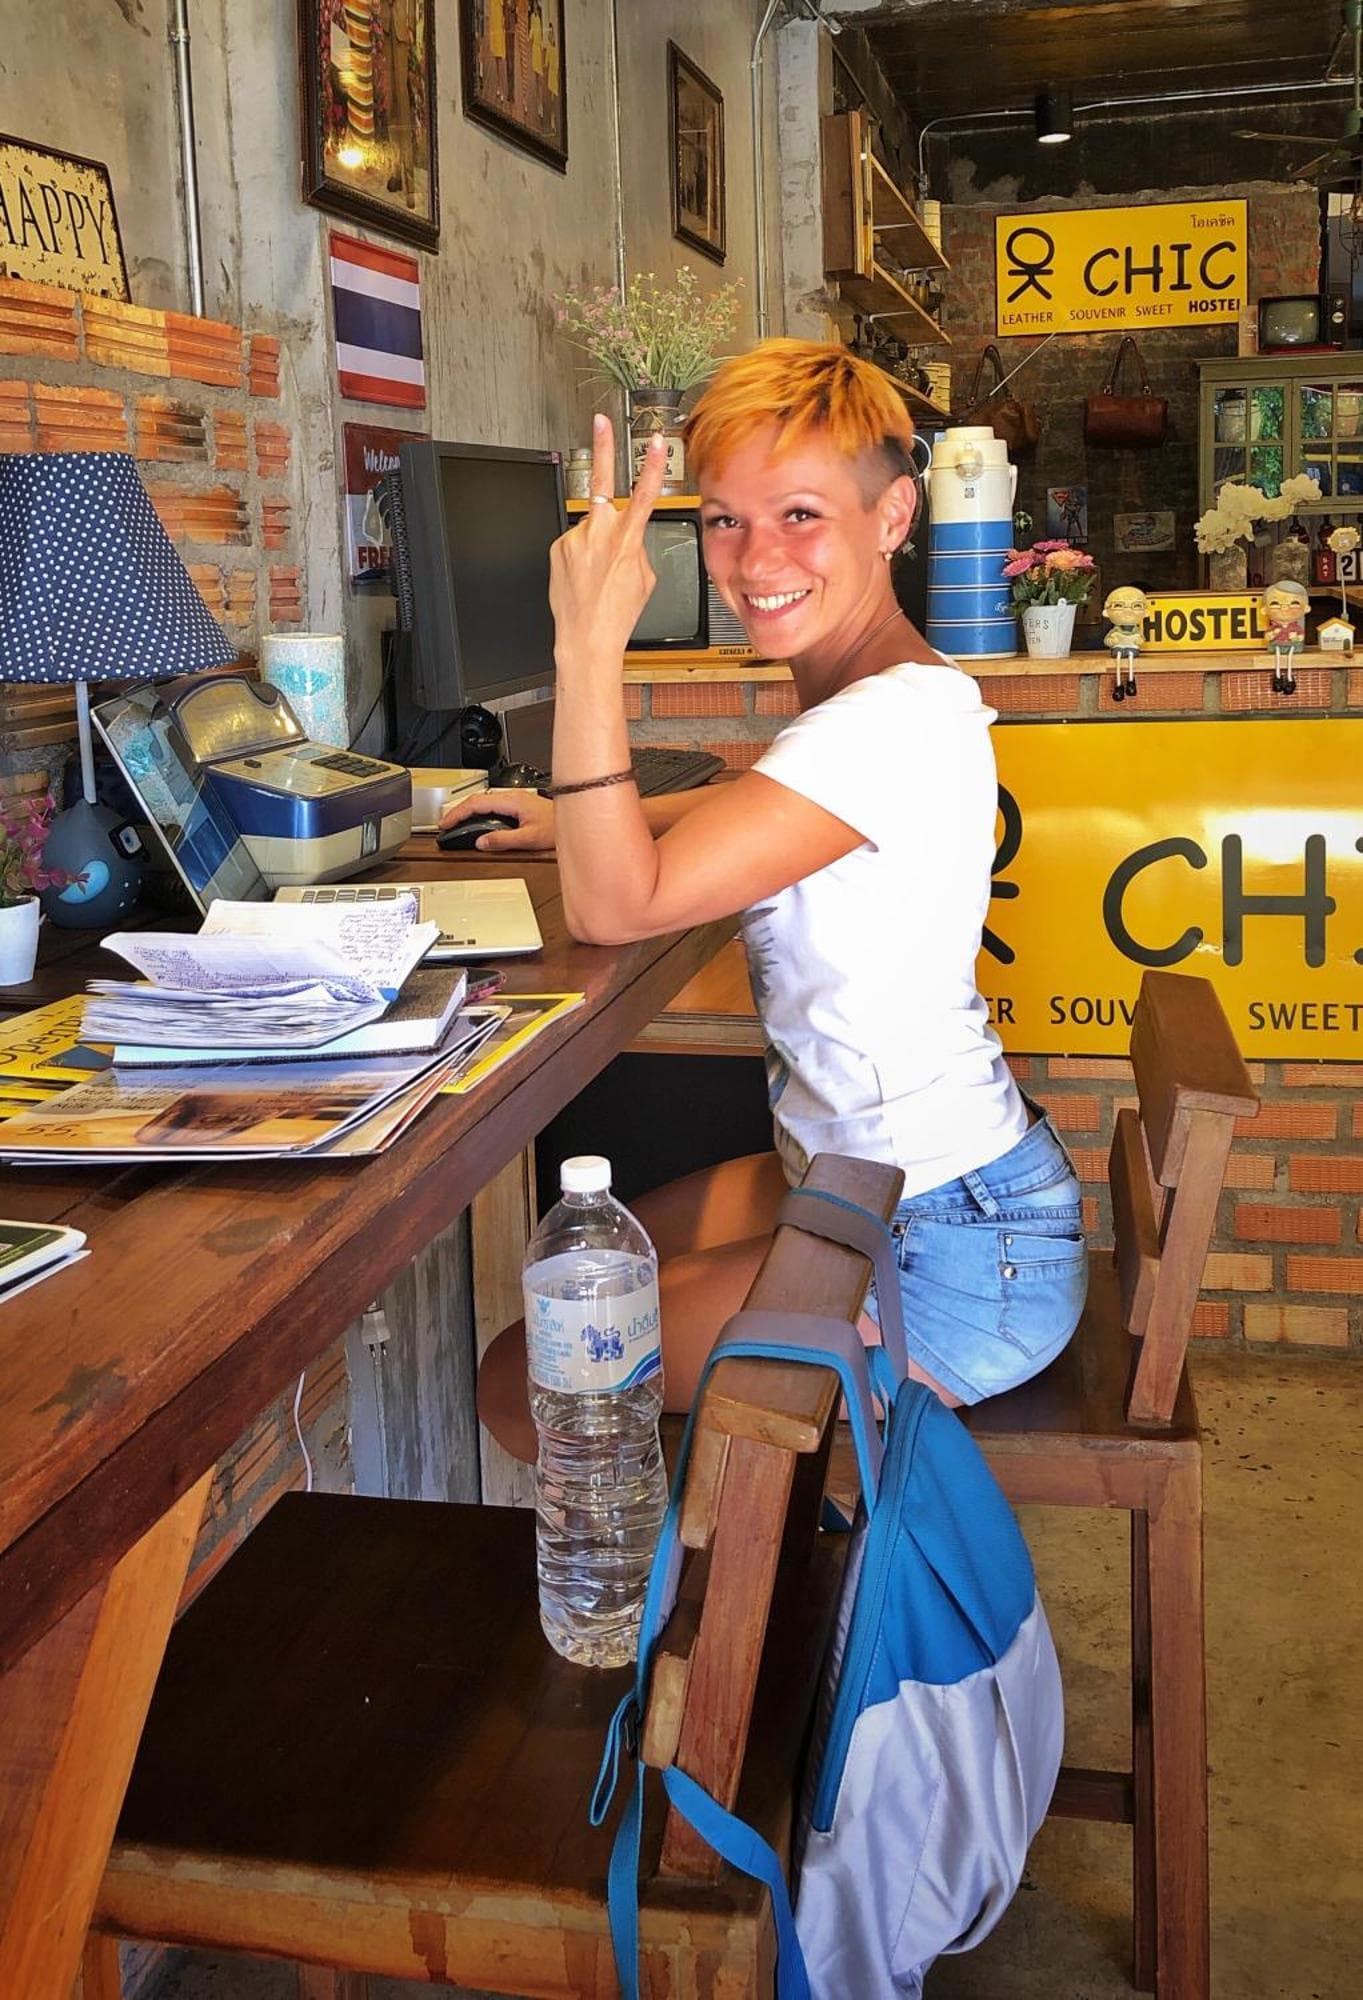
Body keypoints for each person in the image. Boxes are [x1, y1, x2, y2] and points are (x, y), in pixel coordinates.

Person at [445, 339, 1087, 1418]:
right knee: (583, 1276)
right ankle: (742, 1501)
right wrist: (575, 817)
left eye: (799, 514)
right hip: (921, 1190)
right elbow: (776, 806)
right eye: (723, 520)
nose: (753, 559)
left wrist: (586, 647)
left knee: (527, 1377)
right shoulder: (897, 695)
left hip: (950, 1257)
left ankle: (752, 1516)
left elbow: (613, 906)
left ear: (892, 515)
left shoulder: (878, 724)